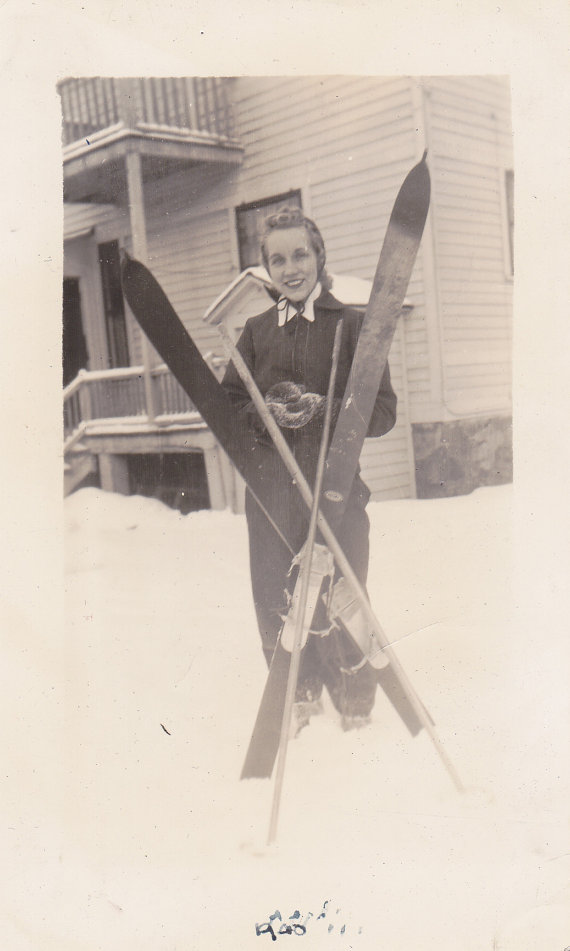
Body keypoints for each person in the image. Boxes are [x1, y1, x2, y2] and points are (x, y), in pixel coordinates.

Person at [222, 206, 397, 730]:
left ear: (320, 256)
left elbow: (383, 411)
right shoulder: (254, 332)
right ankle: (299, 696)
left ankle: (354, 701)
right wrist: (268, 410)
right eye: (277, 259)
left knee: (343, 595)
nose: (290, 268)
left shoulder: (353, 324)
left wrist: (327, 409)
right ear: (265, 269)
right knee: (278, 595)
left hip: (336, 492)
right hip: (273, 497)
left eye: (300, 254)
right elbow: (230, 407)